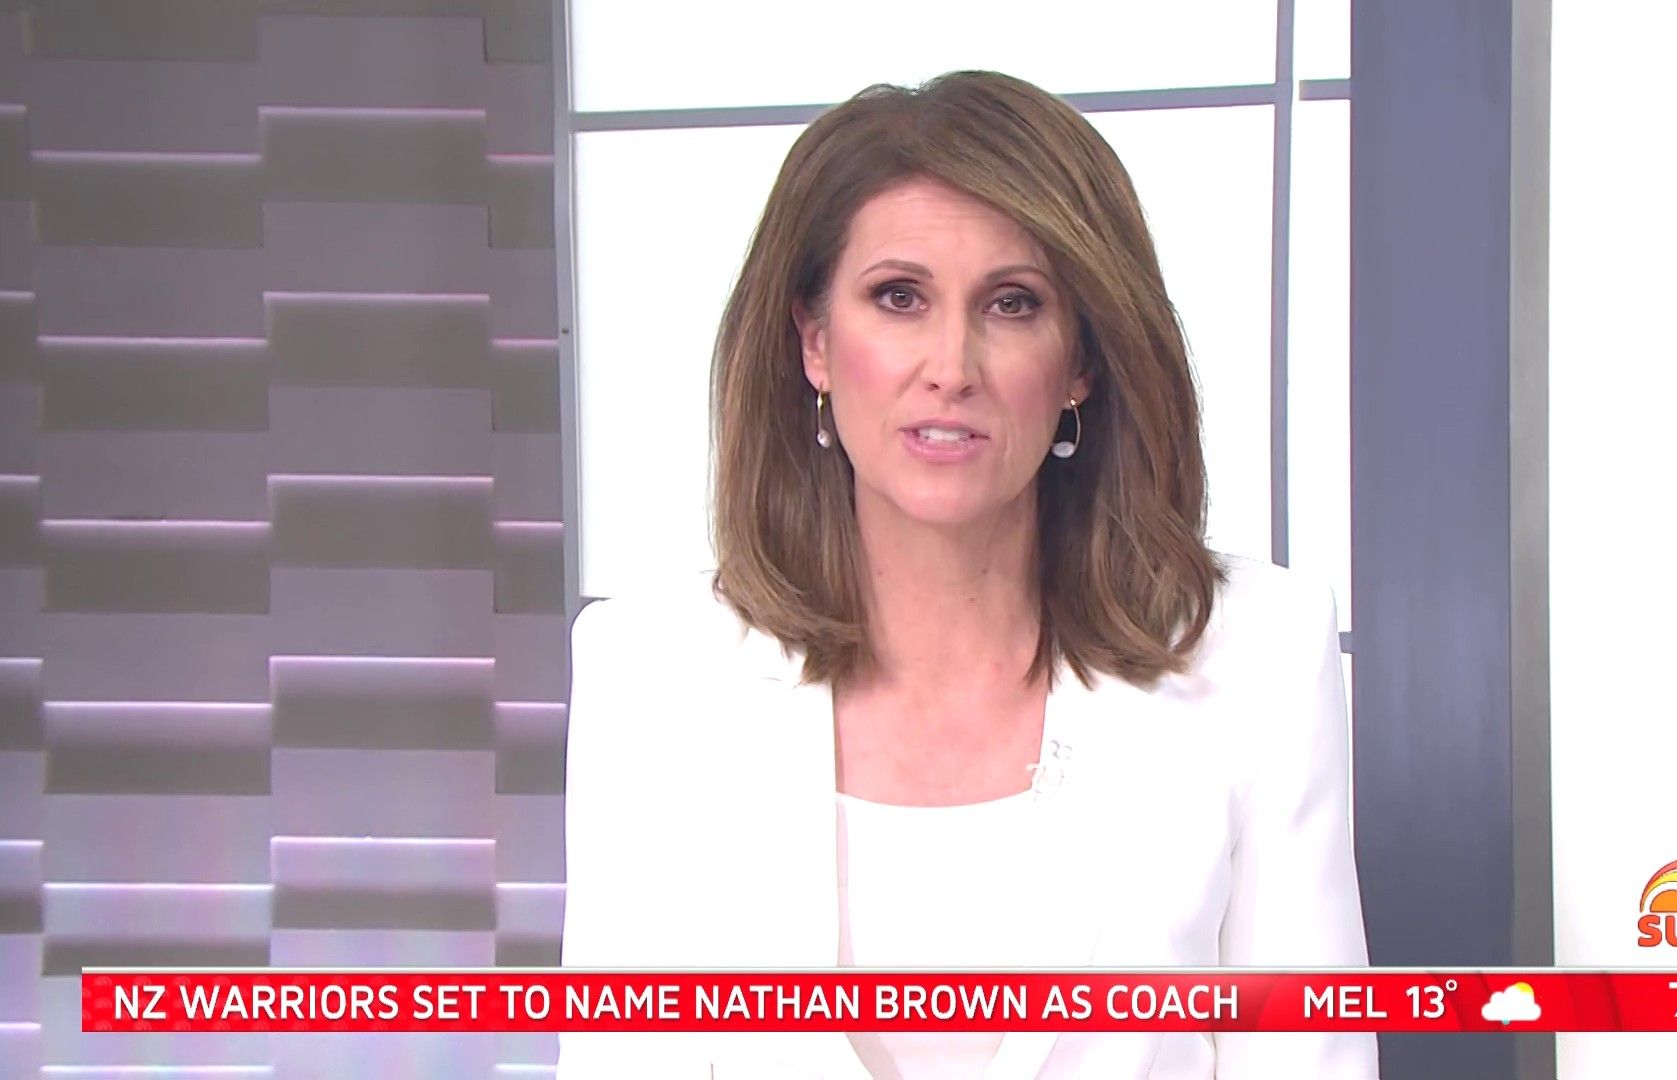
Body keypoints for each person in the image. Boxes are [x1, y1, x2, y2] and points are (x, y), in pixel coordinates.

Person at [558, 70, 1374, 1079]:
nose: (952, 365)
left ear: (1081, 363)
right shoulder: (651, 671)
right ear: (815, 343)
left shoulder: (1256, 655)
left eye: (1012, 304)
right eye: (898, 298)